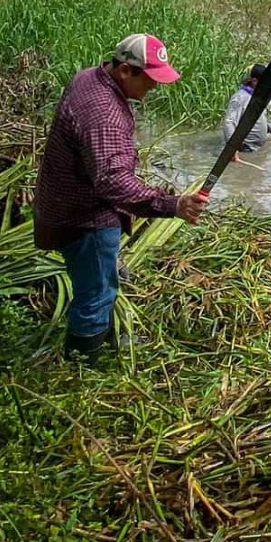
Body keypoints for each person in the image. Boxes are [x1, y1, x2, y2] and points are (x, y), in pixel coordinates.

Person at [33, 34, 209, 364]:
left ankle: (94, 342)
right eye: (151, 79)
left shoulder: (88, 77)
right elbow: (113, 183)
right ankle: (82, 369)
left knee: (96, 282)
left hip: (60, 202)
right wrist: (173, 205)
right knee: (96, 295)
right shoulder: (105, 116)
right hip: (86, 219)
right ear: (125, 70)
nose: (154, 87)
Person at [222, 63, 271, 154]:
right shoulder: (240, 98)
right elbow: (229, 122)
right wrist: (231, 150)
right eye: (265, 81)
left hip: (257, 149)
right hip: (245, 149)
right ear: (254, 81)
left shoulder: (256, 96)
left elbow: (254, 118)